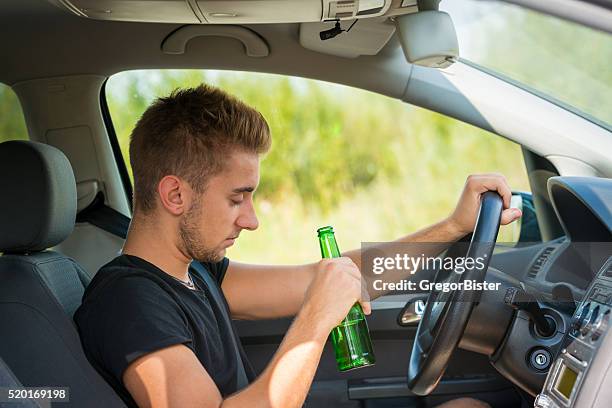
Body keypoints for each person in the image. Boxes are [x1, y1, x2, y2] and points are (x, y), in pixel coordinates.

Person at [74, 84, 522, 408]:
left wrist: (451, 227)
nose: (251, 220)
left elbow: (341, 277)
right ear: (175, 196)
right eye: (236, 198)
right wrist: (316, 319)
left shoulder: (196, 273)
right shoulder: (129, 302)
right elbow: (319, 299)